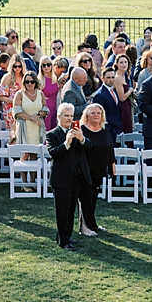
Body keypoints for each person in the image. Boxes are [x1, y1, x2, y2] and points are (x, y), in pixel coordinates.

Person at [46, 104, 99, 249]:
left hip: (77, 177)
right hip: (61, 178)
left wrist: (81, 139)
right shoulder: (52, 134)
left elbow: (89, 146)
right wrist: (67, 143)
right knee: (62, 211)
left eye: (71, 116)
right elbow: (54, 153)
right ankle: (63, 241)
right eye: (66, 116)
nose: (69, 119)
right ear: (59, 117)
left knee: (71, 210)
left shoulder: (77, 131)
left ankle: (67, 236)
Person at [12, 75, 45, 147]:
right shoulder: (19, 94)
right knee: (24, 153)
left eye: (32, 82)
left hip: (37, 126)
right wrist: (30, 117)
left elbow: (45, 110)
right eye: (27, 82)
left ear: (35, 82)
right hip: (24, 126)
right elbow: (16, 111)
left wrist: (37, 115)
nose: (29, 84)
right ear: (24, 83)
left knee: (36, 152)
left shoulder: (40, 94)